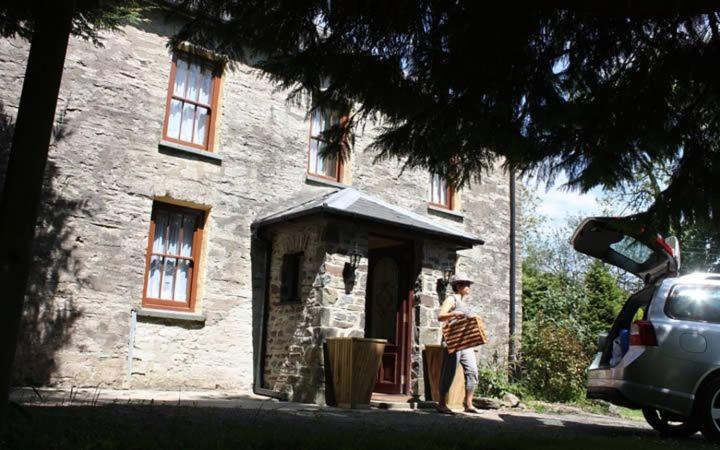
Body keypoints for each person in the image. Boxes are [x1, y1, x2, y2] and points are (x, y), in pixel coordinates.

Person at [436, 272, 480, 414]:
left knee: (472, 371)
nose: (469, 287)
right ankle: (441, 403)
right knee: (448, 372)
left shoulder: (463, 301)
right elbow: (440, 316)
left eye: (468, 284)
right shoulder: (451, 299)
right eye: (466, 284)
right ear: (458, 286)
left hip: (465, 342)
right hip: (453, 342)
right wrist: (454, 314)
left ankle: (468, 404)